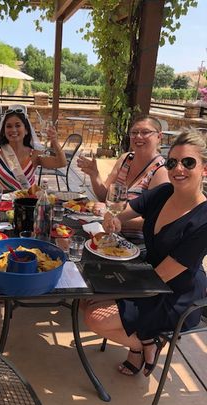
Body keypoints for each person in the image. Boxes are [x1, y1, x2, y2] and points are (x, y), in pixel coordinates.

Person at [83, 129, 207, 377]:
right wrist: (112, 218)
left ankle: (149, 342)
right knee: (85, 297)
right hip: (147, 275)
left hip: (176, 292)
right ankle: (145, 344)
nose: (178, 169)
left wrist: (119, 285)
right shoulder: (163, 193)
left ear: (204, 168)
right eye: (172, 162)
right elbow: (122, 212)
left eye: (188, 162)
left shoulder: (203, 219)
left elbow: (164, 274)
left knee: (95, 317)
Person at [77, 115, 169, 241]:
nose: (138, 136)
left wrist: (111, 215)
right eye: (134, 132)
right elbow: (106, 198)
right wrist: (95, 175)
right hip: (110, 234)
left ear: (159, 136)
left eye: (145, 132)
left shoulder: (161, 172)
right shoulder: (126, 159)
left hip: (135, 244)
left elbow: (154, 221)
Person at [0, 109, 67, 191]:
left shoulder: (35, 154)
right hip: (5, 204)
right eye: (9, 126)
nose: (13, 130)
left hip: (27, 203)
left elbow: (61, 163)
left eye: (18, 125)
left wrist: (54, 141)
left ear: (26, 130)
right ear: (4, 131)